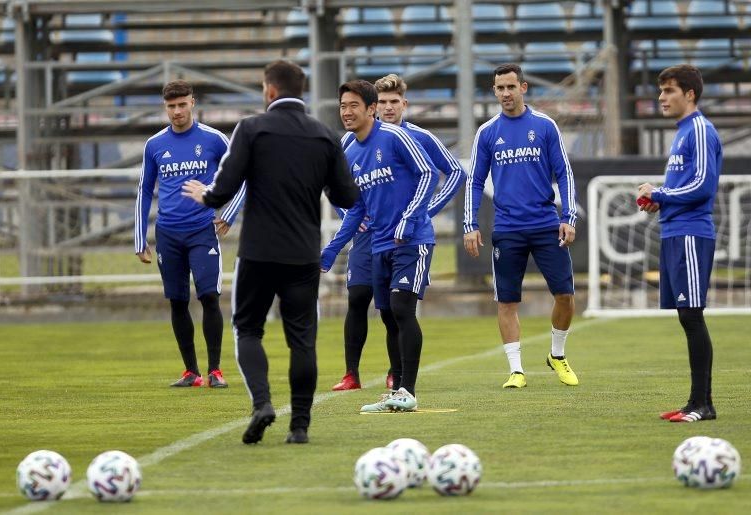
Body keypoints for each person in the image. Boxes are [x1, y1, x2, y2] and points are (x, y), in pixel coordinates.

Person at [181, 60, 359, 444]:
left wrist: (206, 196)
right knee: (302, 341)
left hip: (259, 252)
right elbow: (346, 195)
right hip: (303, 254)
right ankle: (300, 426)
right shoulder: (324, 135)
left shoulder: (251, 128)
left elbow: (226, 186)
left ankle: (262, 403)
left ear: (270, 91)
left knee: (247, 329)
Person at [325, 73, 464, 392]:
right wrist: (348, 217)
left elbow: (452, 172)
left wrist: (423, 212)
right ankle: (351, 373)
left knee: (396, 308)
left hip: (406, 235)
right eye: (383, 102)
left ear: (404, 103)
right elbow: (339, 188)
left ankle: (397, 376)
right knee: (359, 297)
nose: (388, 108)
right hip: (369, 236)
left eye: (393, 102)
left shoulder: (416, 137)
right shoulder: (350, 142)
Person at [463, 63, 579, 389]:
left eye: (510, 87)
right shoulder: (487, 132)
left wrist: (568, 217)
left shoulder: (545, 126)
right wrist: (470, 224)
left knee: (566, 295)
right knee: (506, 301)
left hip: (545, 224)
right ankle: (516, 370)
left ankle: (557, 354)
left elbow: (564, 174)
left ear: (523, 88)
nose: (505, 94)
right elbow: (474, 181)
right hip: (508, 228)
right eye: (499, 89)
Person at [135, 79, 246, 389]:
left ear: (192, 103)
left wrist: (228, 213)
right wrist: (139, 236)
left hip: (202, 231)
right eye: (171, 106)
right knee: (177, 301)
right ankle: (191, 372)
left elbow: (243, 176)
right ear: (165, 107)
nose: (177, 111)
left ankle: (215, 370)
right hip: (168, 233)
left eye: (182, 105)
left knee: (209, 296)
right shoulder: (155, 144)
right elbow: (144, 189)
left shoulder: (214, 139)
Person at [638, 65, 721, 423]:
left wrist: (659, 192)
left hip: (690, 232)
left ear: (690, 94)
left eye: (669, 91)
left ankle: (703, 404)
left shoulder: (700, 130)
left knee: (692, 314)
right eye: (661, 91)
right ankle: (695, 403)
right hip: (673, 230)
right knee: (686, 317)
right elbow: (683, 186)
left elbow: (703, 185)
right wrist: (660, 200)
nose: (661, 98)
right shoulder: (683, 132)